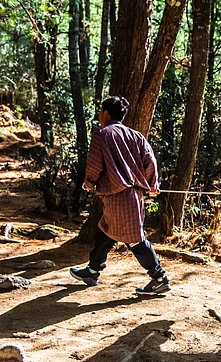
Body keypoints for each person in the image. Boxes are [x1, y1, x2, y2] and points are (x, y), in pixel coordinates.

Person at [70, 96, 170, 294]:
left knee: (135, 239)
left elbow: (95, 164)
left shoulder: (102, 133)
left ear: (106, 113)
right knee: (105, 229)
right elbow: (150, 161)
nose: (99, 115)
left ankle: (159, 278)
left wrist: (88, 183)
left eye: (100, 111)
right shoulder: (135, 135)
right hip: (132, 194)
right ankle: (92, 271)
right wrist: (152, 184)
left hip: (121, 195)